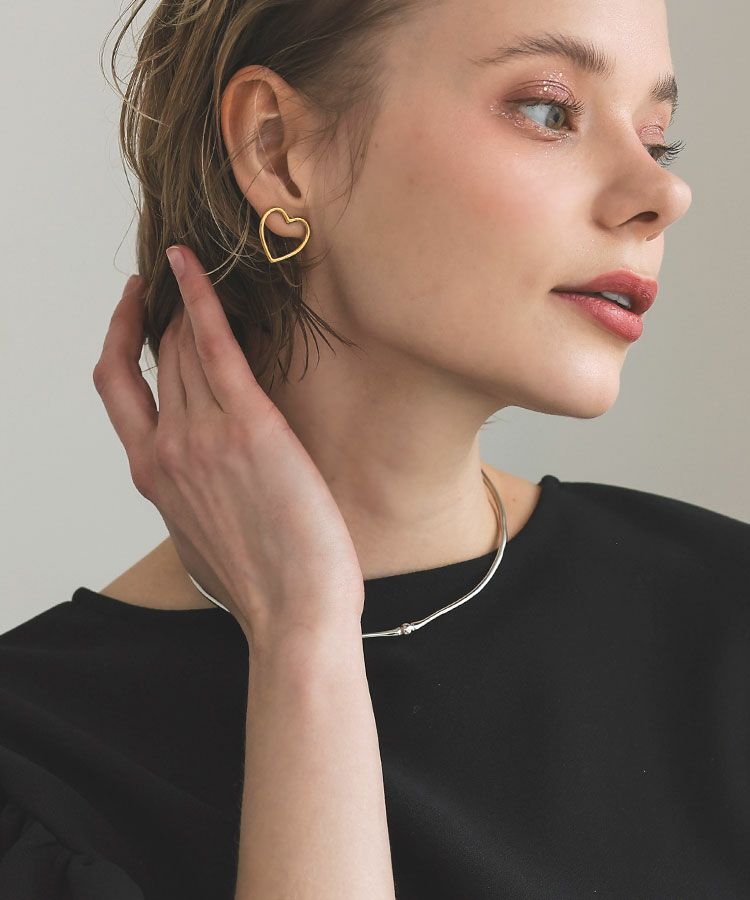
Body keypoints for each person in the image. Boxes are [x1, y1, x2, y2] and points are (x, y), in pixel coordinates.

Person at [2, 0, 748, 897]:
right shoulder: (33, 772)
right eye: (549, 110)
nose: (665, 194)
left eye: (658, 139)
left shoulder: (725, 623)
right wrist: (302, 639)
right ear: (278, 150)